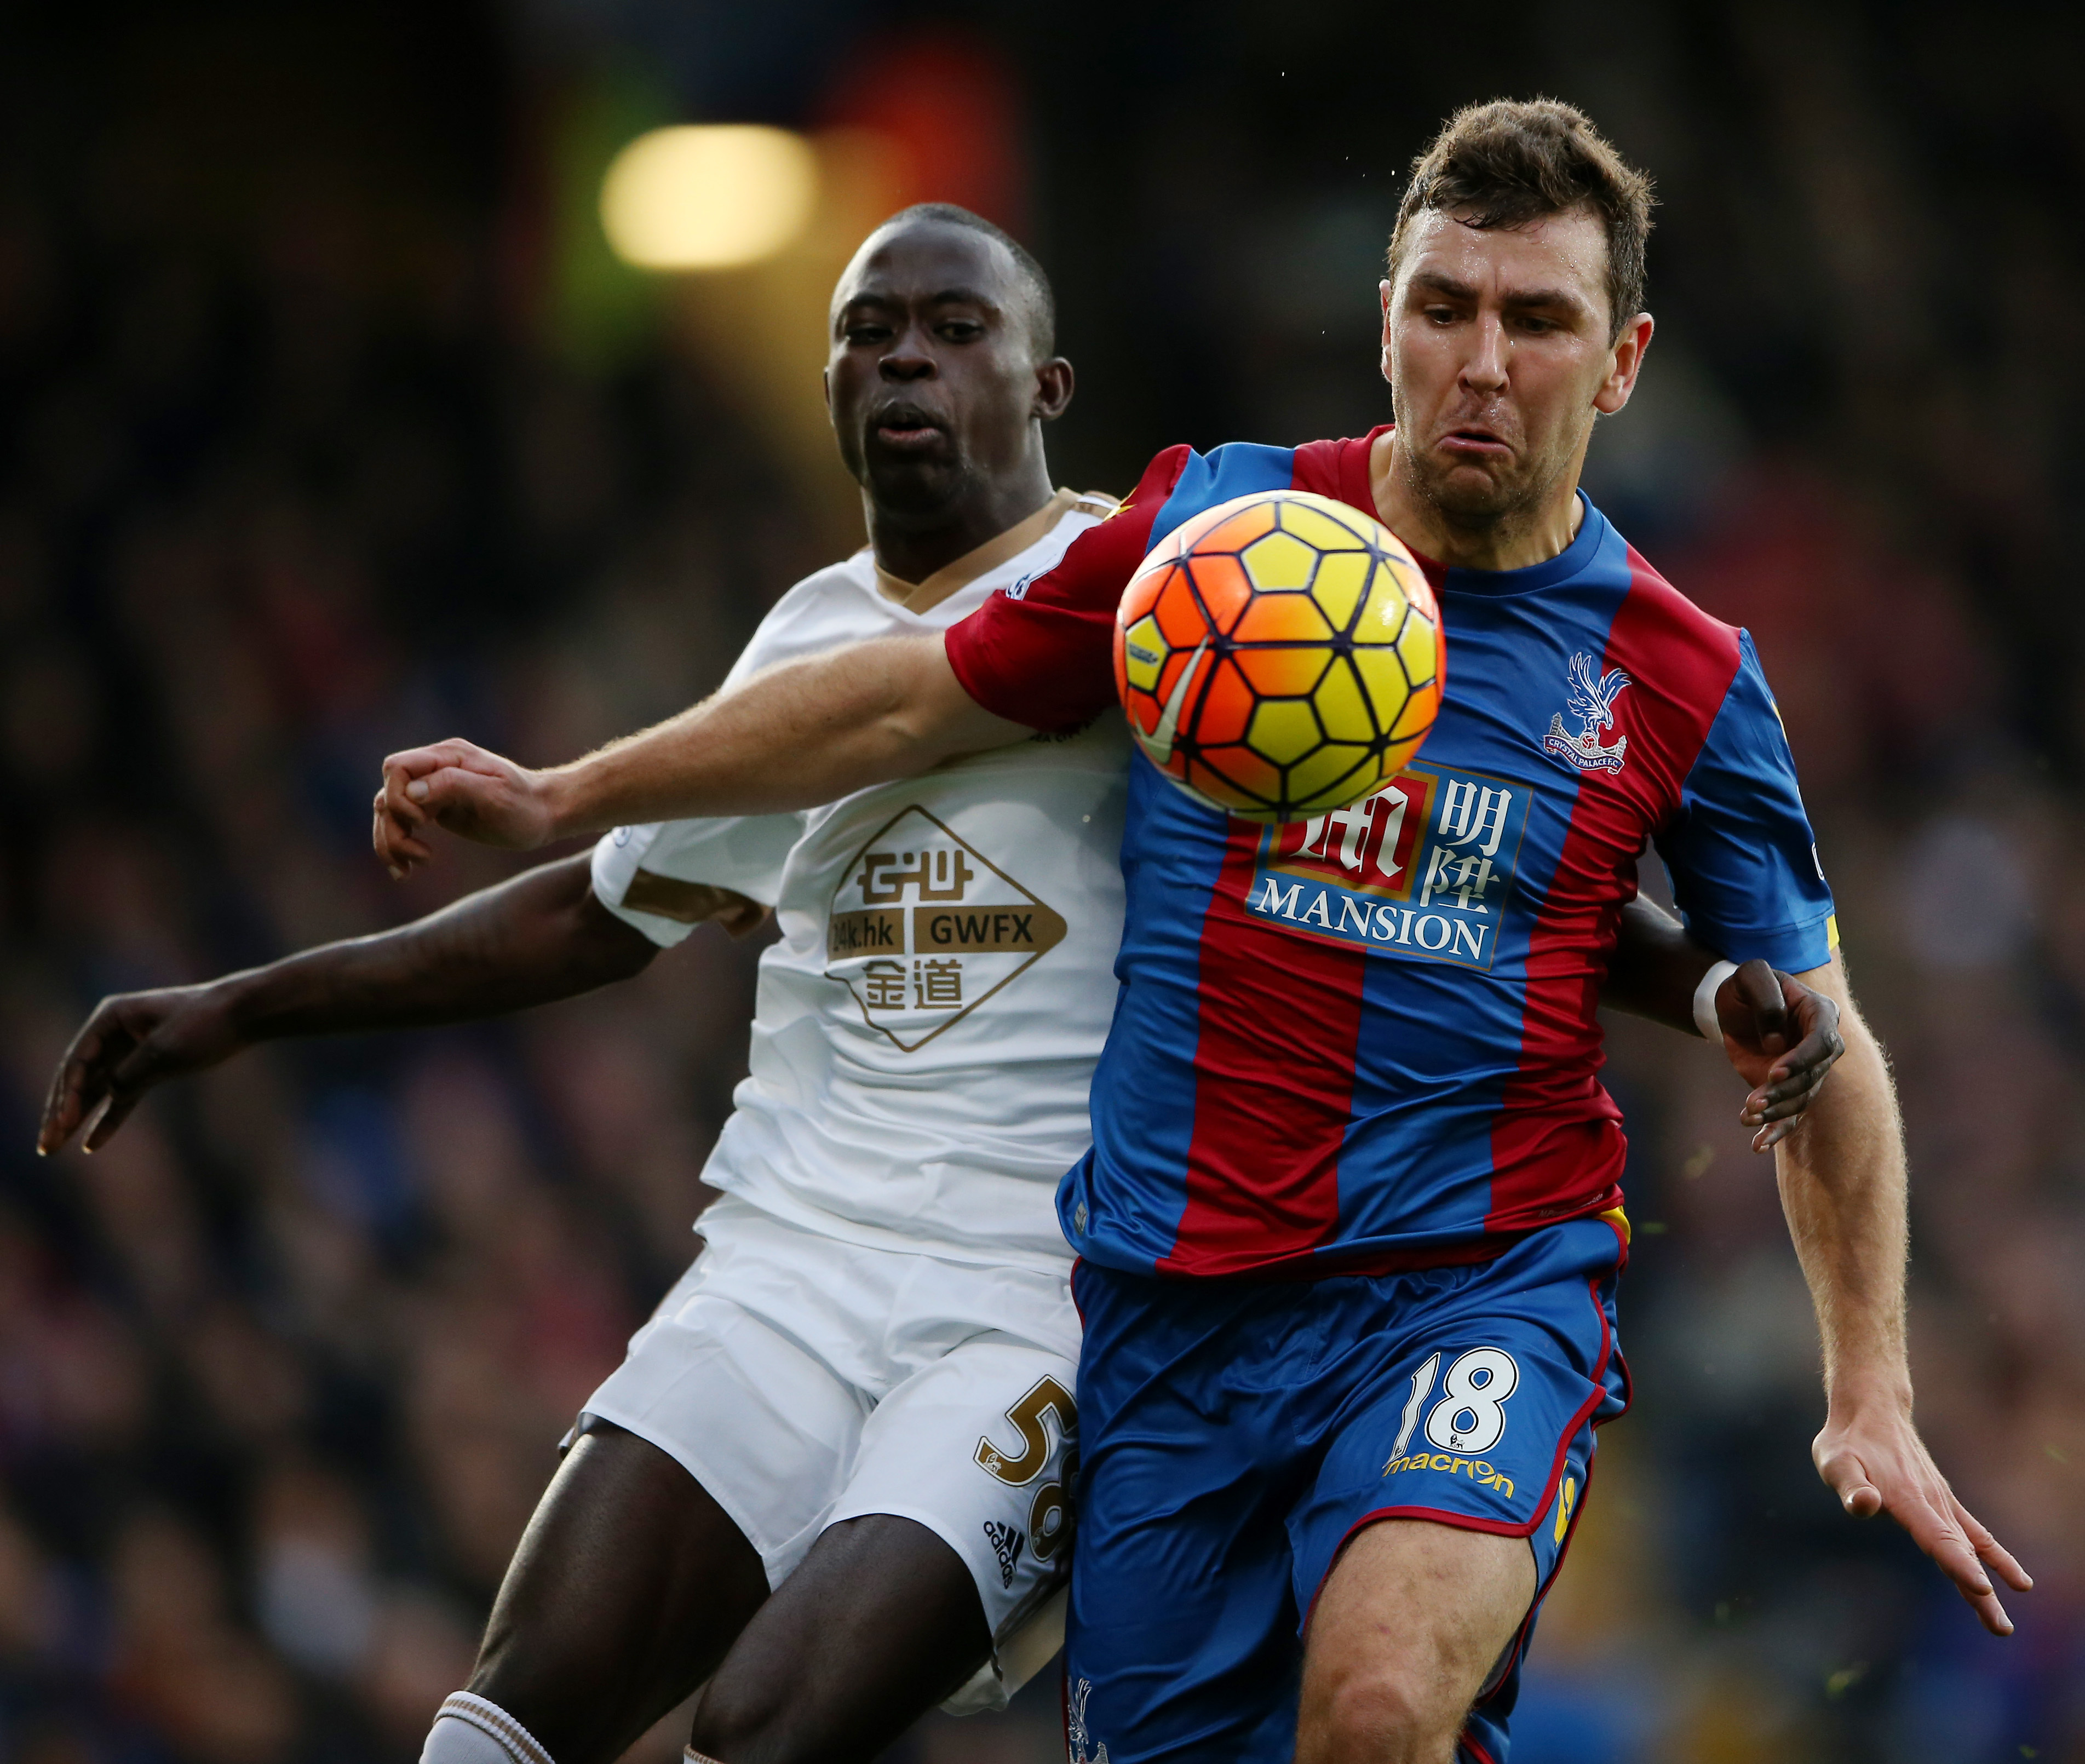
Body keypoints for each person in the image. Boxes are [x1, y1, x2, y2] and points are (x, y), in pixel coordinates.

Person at [48, 206, 1828, 1764]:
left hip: (1040, 1299)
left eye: (957, 330)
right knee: (501, 1722)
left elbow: (1496, 876)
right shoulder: (805, 644)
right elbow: (596, 916)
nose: (906, 363)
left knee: (762, 1731)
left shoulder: (1200, 599)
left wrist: (1709, 989)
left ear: (1048, 389)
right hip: (785, 1261)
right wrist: (240, 1007)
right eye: (867, 334)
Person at [371, 103, 2030, 1764]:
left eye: (1538, 320)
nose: (1481, 359)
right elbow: (899, 704)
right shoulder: (1214, 537)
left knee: (1374, 1705)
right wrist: (568, 790)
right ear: (1384, 314)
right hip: (1171, 1323)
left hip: (1472, 1289)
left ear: (1621, 359)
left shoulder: (1681, 673)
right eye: (1445, 306)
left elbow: (1822, 1041)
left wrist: (1869, 1384)